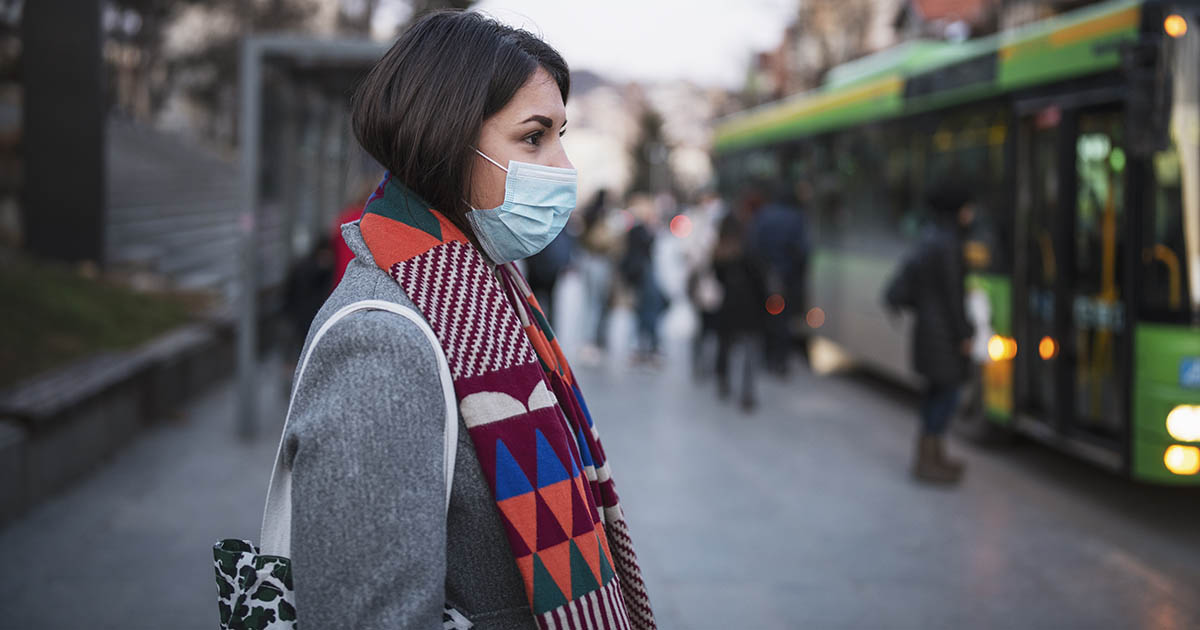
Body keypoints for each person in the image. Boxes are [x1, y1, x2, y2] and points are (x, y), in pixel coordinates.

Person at [280, 12, 656, 628]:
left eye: (561, 135)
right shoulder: (381, 341)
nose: (563, 168)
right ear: (448, 140)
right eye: (534, 137)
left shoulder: (488, 289)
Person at [885, 181, 975, 484]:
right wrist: (965, 333)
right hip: (943, 337)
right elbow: (953, 295)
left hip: (928, 332)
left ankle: (931, 457)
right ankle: (929, 461)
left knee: (935, 395)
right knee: (945, 397)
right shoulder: (948, 243)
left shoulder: (929, 238)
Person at [712, 196, 768, 413]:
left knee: (726, 344)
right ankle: (747, 391)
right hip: (750, 306)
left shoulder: (720, 251)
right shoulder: (749, 249)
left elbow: (717, 275)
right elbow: (760, 277)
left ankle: (724, 380)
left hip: (729, 304)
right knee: (750, 348)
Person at [748, 181, 811, 374]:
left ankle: (768, 357)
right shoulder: (795, 218)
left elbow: (753, 245)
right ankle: (781, 360)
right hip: (787, 276)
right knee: (783, 320)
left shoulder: (764, 215)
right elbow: (803, 250)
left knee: (768, 318)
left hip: (765, 276)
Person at [620, 194, 667, 365]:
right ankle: (648, 348)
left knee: (644, 312)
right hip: (643, 275)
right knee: (647, 312)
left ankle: (643, 347)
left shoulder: (636, 229)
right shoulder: (639, 230)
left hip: (640, 275)